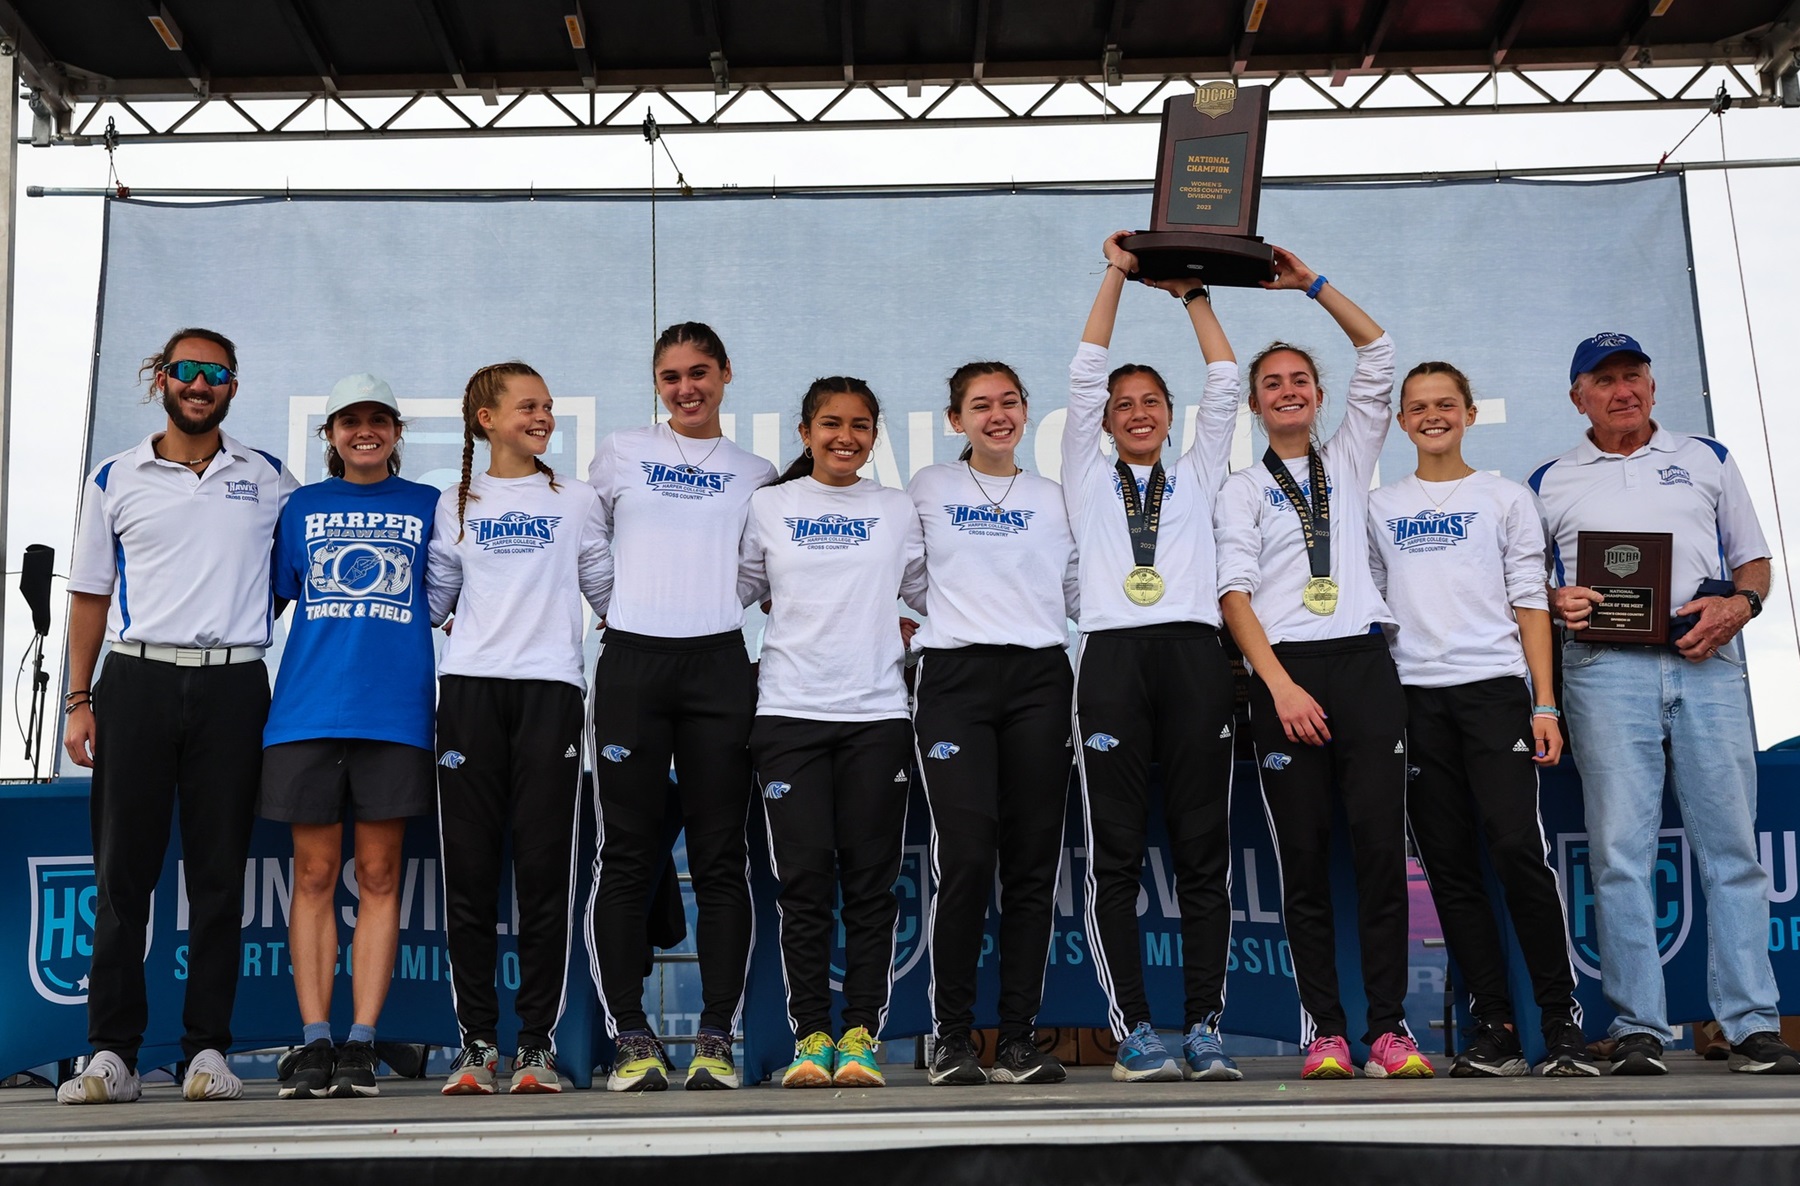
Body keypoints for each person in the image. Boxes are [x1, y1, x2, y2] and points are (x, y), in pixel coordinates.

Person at [1529, 331, 1799, 1075]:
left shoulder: (1706, 457)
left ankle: (1749, 1023)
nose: (1624, 391)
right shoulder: (1549, 479)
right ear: (1577, 396)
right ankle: (1640, 1025)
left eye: (1635, 376)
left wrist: (1740, 606)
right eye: (1606, 380)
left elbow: (1755, 562)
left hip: (1705, 659)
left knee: (1734, 851)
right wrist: (1557, 599)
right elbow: (1526, 589)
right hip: (1603, 670)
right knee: (1619, 852)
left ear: (1652, 384)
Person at [59, 328, 298, 1104]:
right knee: (122, 877)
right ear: (160, 378)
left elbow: (301, 576)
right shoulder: (114, 476)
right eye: (187, 371)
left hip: (233, 687)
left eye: (216, 374)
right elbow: (91, 593)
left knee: (221, 878)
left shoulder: (269, 478)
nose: (200, 384)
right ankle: (112, 1054)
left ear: (234, 385)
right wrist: (78, 698)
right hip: (136, 683)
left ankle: (208, 1053)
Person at [1214, 250, 1432, 1080]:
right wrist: (1279, 685)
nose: (1289, 391)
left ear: (1319, 394)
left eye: (1300, 378)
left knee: (1380, 855)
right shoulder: (1239, 489)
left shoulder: (1348, 458)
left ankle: (1388, 1029)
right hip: (1284, 677)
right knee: (1303, 862)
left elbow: (1378, 351)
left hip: (1364, 668)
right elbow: (1233, 594)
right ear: (1257, 404)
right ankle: (1327, 1032)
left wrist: (1311, 286)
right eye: (1273, 383)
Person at [1367, 361, 1596, 1078]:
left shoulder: (1503, 497)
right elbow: (1371, 610)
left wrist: (1545, 701)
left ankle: (1560, 1024)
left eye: (1445, 404)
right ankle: (1492, 1026)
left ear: (1468, 412)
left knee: (1517, 852)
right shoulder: (1379, 505)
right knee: (1450, 867)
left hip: (1494, 692)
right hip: (1414, 699)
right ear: (1402, 422)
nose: (1432, 415)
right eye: (1418, 407)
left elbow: (1531, 600)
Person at [1065, 232, 1242, 1083]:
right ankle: (1133, 1029)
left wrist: (1191, 295)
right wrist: (1117, 273)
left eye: (1150, 402)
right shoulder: (1084, 476)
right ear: (1104, 419)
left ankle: (1205, 1025)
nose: (1137, 411)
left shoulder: (1201, 474)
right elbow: (1083, 367)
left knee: (1205, 852)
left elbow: (1226, 381)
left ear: (1170, 416)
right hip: (1112, 662)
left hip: (1196, 656)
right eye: (1122, 403)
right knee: (1120, 856)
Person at [585, 323, 776, 1092]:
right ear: (656, 384)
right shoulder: (621, 451)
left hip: (719, 667)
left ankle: (716, 1036)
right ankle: (630, 1034)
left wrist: (704, 605)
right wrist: (626, 607)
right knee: (629, 855)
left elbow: (761, 570)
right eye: (671, 377)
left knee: (720, 857)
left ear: (727, 374)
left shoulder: (755, 472)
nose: (686, 388)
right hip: (633, 663)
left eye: (700, 373)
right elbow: (586, 544)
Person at [737, 377, 927, 1089]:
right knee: (806, 883)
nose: (844, 437)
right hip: (788, 713)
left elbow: (939, 591)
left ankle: (860, 1035)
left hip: (876, 713)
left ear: (875, 435)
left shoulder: (895, 509)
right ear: (805, 432)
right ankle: (811, 1034)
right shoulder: (769, 506)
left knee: (872, 885)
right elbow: (730, 591)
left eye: (859, 425)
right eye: (829, 424)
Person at [426, 361, 609, 1095]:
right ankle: (475, 1043)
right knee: (468, 877)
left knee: (543, 875)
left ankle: (535, 1043)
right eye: (528, 406)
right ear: (486, 419)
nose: (543, 418)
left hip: (551, 692)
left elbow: (609, 590)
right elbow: (439, 596)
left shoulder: (579, 500)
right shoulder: (455, 502)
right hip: (469, 690)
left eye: (548, 407)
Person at [262, 374, 440, 1099]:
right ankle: (313, 1040)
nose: (364, 431)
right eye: (349, 421)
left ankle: (362, 1040)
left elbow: (462, 599)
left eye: (377, 420)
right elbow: (266, 601)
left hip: (394, 716)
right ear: (329, 434)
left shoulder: (432, 507)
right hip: (305, 714)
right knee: (311, 876)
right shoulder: (299, 508)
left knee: (379, 877)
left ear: (396, 431)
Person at [907, 361, 1079, 1086]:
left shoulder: (1053, 497)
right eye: (981, 405)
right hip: (956, 682)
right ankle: (949, 1036)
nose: (997, 414)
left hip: (1041, 677)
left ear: (1027, 411)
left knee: (1034, 865)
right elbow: (907, 573)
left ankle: (1015, 1039)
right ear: (956, 420)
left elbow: (1077, 588)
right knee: (970, 856)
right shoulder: (930, 487)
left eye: (1010, 401)